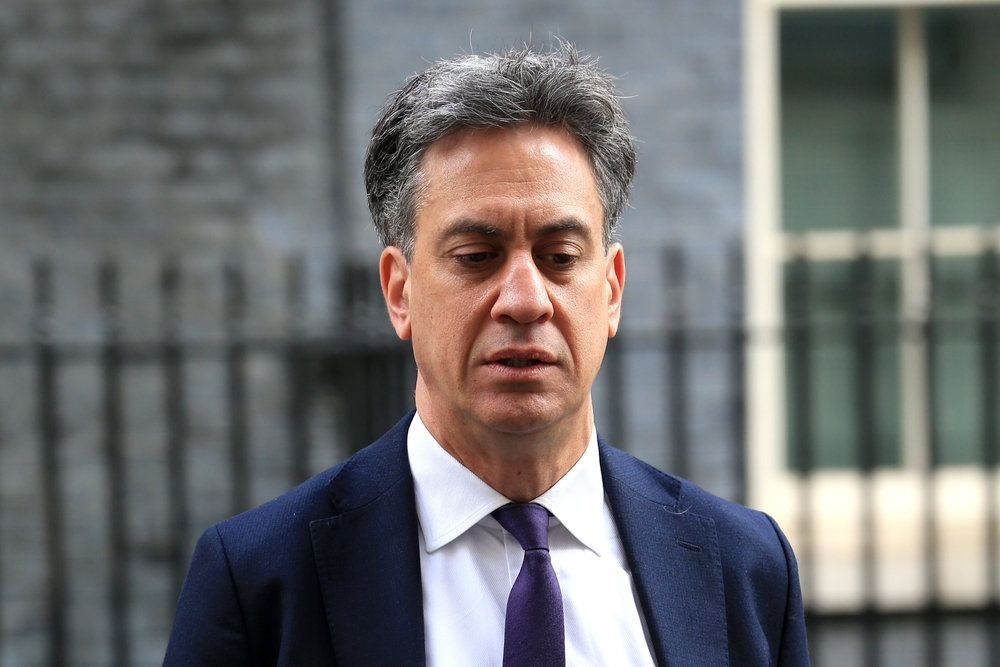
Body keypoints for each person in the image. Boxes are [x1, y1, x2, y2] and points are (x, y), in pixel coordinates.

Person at [163, 42, 809, 667]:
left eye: (560, 257)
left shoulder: (747, 570)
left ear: (612, 290)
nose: (525, 300)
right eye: (476, 257)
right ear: (399, 292)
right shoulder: (259, 585)